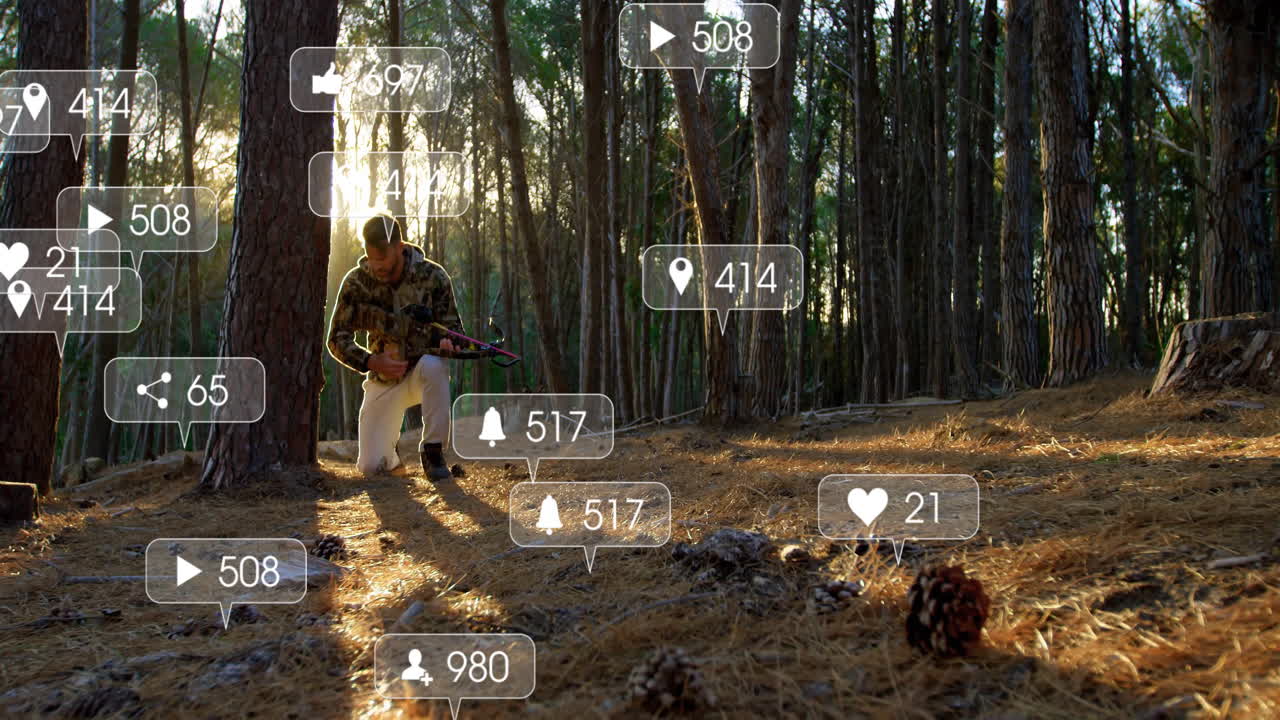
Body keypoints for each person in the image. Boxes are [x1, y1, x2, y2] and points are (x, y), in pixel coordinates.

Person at [327, 213, 463, 481]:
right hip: (383, 377)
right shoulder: (356, 283)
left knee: (435, 366)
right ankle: (392, 458)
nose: (376, 265)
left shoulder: (433, 276)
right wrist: (371, 362)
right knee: (370, 467)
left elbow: (455, 331)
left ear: (399, 248)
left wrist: (449, 343)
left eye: (383, 257)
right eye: (371, 257)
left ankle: (433, 452)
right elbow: (336, 339)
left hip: (420, 374)